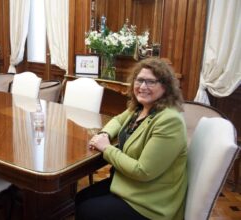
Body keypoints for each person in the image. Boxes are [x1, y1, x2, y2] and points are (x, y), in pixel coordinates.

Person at [75, 58, 187, 220]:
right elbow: (118, 120)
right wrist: (104, 134)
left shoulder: (170, 121)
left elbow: (143, 171)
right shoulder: (140, 108)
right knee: (81, 197)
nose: (142, 87)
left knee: (87, 209)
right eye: (140, 80)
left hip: (150, 200)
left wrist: (106, 148)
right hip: (128, 182)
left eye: (150, 82)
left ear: (165, 86)